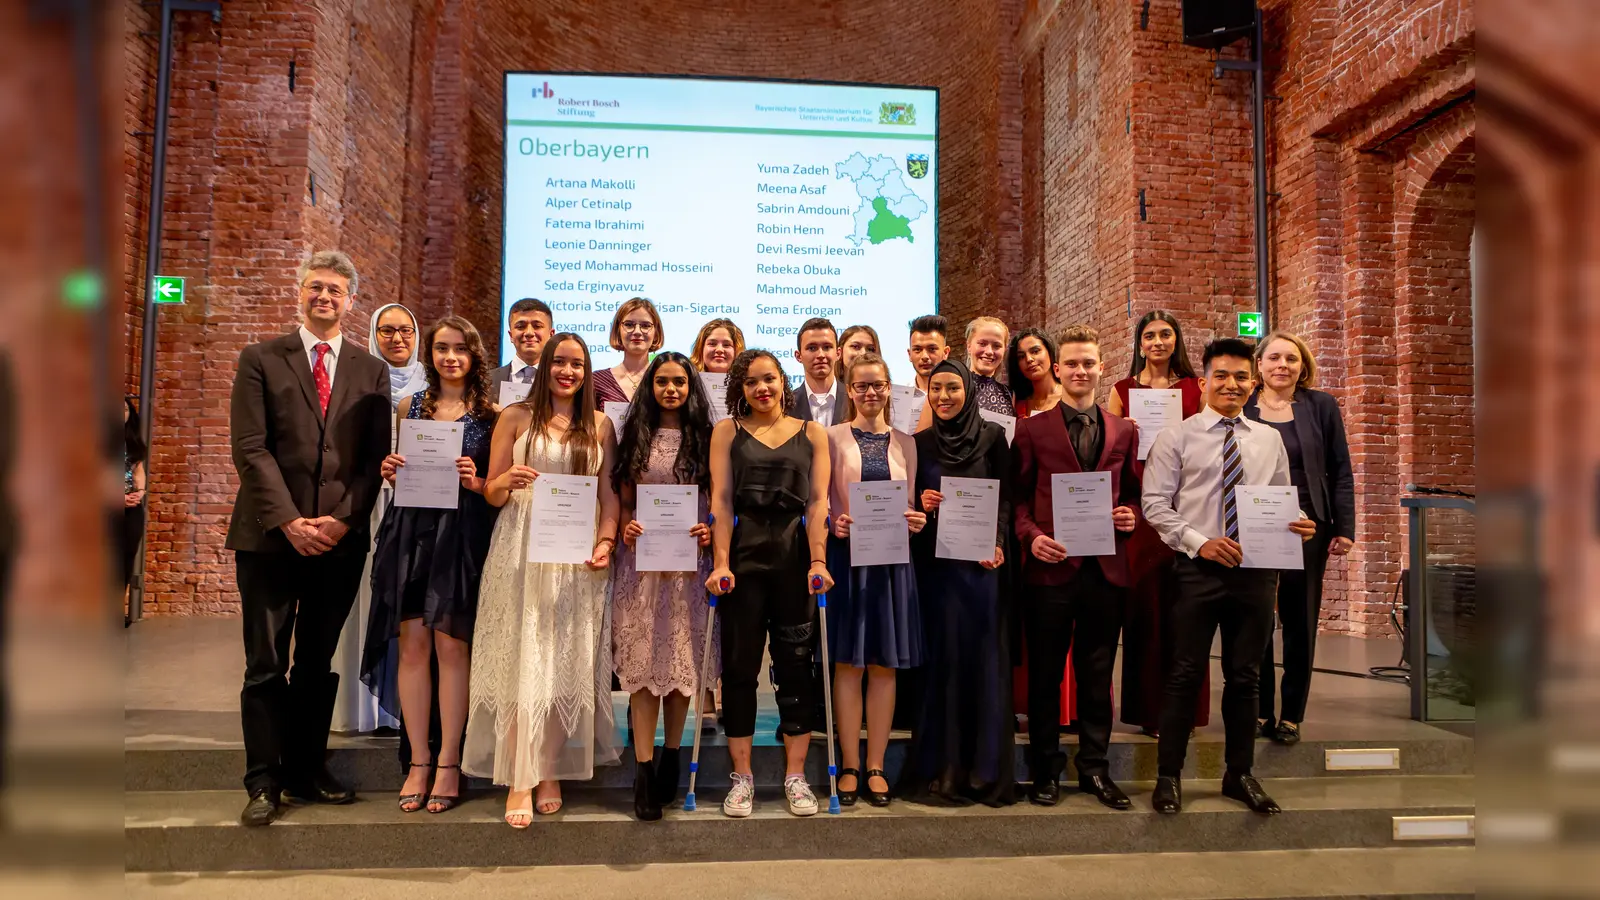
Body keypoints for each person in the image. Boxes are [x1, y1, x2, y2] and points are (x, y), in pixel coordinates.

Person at [226, 250, 392, 827]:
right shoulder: (261, 358)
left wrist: (344, 519)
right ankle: (262, 781)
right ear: (300, 292)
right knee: (266, 662)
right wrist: (290, 520)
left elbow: (373, 458)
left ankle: (304, 768)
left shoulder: (371, 370)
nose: (325, 297)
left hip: (339, 541)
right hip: (271, 538)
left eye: (336, 290)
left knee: (316, 661)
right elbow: (250, 447)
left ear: (351, 300)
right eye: (315, 287)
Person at [1142, 338, 1318, 816]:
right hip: (1197, 569)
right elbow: (1155, 505)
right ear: (1204, 382)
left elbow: (1281, 497)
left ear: (1253, 383)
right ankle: (1168, 777)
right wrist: (1201, 542)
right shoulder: (1176, 437)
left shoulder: (1268, 439)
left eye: (1241, 377)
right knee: (1184, 674)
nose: (1232, 384)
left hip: (1256, 572)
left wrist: (1299, 522)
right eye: (1221, 375)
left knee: (1245, 678)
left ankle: (1239, 774)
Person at [465, 333, 623, 827]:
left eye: (577, 364)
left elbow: (610, 498)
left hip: (576, 557)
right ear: (546, 366)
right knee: (521, 658)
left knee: (562, 660)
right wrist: (502, 483)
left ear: (586, 370)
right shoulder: (514, 416)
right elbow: (490, 493)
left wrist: (605, 543)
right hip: (520, 548)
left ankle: (550, 767)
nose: (568, 371)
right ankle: (520, 776)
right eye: (559, 362)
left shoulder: (599, 425)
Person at [363, 316, 498, 814]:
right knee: (413, 645)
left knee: (452, 648)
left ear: (475, 355)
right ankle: (418, 760)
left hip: (461, 536)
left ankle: (449, 761)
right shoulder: (409, 405)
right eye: (442, 348)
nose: (450, 357)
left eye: (461, 349)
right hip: (411, 532)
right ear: (431, 353)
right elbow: (400, 469)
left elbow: (497, 486)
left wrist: (476, 479)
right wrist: (390, 470)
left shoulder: (492, 414)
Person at [1011, 325, 1141, 809]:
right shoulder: (1031, 430)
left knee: (1097, 673)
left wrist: (1132, 515)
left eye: (1089, 363)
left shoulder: (1125, 430)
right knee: (1045, 676)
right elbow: (1017, 500)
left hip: (1105, 572)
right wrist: (1033, 537)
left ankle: (1094, 769)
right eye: (1072, 364)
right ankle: (1045, 769)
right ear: (1057, 369)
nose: (1080, 371)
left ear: (1100, 367)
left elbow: (1132, 493)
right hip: (1051, 569)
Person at [705, 349, 833, 818]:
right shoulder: (726, 432)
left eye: (770, 380)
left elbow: (818, 502)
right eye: (752, 382)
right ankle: (743, 779)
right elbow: (719, 498)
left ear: (784, 383)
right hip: (741, 559)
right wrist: (720, 563)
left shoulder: (811, 432)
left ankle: (795, 776)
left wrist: (817, 559)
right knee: (738, 669)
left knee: (795, 668)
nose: (762, 388)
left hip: (794, 557)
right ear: (740, 388)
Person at [902, 359, 1015, 807]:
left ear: (967, 391)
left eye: (952, 388)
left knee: (981, 664)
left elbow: (1005, 498)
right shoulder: (919, 444)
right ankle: (943, 768)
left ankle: (983, 769)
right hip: (938, 571)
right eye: (936, 389)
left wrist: (1001, 542)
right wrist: (924, 505)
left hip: (982, 570)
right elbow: (909, 507)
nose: (944, 396)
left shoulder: (993, 437)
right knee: (944, 667)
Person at [611, 351, 716, 821]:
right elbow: (625, 501)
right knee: (642, 666)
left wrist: (711, 528)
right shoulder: (633, 434)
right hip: (643, 568)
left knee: (680, 664)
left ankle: (673, 754)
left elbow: (719, 499)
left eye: (679, 382)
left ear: (691, 387)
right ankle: (643, 769)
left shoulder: (708, 438)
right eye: (662, 382)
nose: (671, 389)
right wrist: (628, 525)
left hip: (690, 567)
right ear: (649, 387)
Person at [1244, 332, 1355, 745]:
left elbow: (1340, 468)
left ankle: (1291, 714)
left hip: (1308, 526)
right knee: (1256, 617)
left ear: (1302, 365)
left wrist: (1345, 527)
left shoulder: (1321, 406)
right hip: (1254, 523)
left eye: (1291, 358)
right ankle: (1259, 711)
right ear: (1260, 364)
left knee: (1300, 618)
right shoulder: (1244, 406)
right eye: (1274, 357)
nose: (1282, 365)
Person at [825, 353, 926, 807]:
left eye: (878, 385)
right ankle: (849, 763)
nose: (870, 393)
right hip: (848, 560)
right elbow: (818, 500)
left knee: (884, 663)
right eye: (862, 386)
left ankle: (877, 765)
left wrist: (915, 519)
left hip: (892, 563)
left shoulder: (908, 442)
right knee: (849, 663)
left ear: (890, 388)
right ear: (850, 390)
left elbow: (909, 502)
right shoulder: (829, 438)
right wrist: (833, 523)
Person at [1109, 311, 1210, 737]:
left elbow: (1208, 442)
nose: (1157, 342)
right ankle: (1150, 711)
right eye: (1149, 335)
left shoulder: (1194, 389)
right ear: (1139, 342)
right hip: (1141, 509)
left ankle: (1184, 712)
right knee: (1145, 614)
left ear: (1176, 340)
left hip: (1186, 506)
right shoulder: (1121, 391)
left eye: (1166, 334)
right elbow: (1110, 453)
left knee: (1186, 611)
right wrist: (1123, 430)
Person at [331, 302, 425, 735]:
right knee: (366, 601)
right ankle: (364, 709)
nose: (397, 339)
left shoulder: (432, 383)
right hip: (369, 506)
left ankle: (409, 708)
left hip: (419, 512)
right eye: (386, 331)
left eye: (405, 331)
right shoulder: (358, 381)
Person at [1003, 326, 1069, 732]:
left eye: (1036, 351)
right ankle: (1032, 704)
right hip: (1030, 524)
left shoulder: (1078, 402)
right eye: (1023, 355)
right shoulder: (1017, 407)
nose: (1030, 360)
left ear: (1052, 356)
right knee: (1034, 623)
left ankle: (1068, 710)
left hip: (1073, 523)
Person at [593, 297, 662, 408]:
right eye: (629, 325)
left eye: (645, 326)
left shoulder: (665, 380)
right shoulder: (597, 381)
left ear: (656, 332)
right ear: (617, 330)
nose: (637, 332)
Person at [791, 317, 847, 425]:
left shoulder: (854, 400)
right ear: (798, 356)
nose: (820, 355)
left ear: (838, 353)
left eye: (827, 347)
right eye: (812, 348)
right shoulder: (785, 406)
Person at [489, 298, 553, 390]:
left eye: (537, 326)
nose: (529, 333)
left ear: (551, 334)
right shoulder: (486, 381)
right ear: (511, 335)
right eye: (521, 326)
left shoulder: (561, 380)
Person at [907, 315, 952, 432]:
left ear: (945, 352)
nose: (925, 357)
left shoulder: (957, 397)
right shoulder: (896, 398)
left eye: (932, 349)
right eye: (917, 349)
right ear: (909, 354)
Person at [1008, 327, 1063, 419]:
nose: (1029, 359)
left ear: (1049, 352)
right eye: (1021, 356)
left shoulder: (1069, 397)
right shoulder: (1018, 405)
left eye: (1035, 351)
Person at [964, 317, 1013, 416]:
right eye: (982, 344)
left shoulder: (1009, 395)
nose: (989, 352)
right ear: (969, 346)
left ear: (1004, 350)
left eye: (997, 346)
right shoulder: (953, 388)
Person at [123, 398, 147, 593]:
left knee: (126, 558)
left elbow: (138, 470)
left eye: (124, 409)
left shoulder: (131, 440)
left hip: (131, 508)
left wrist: (140, 492)